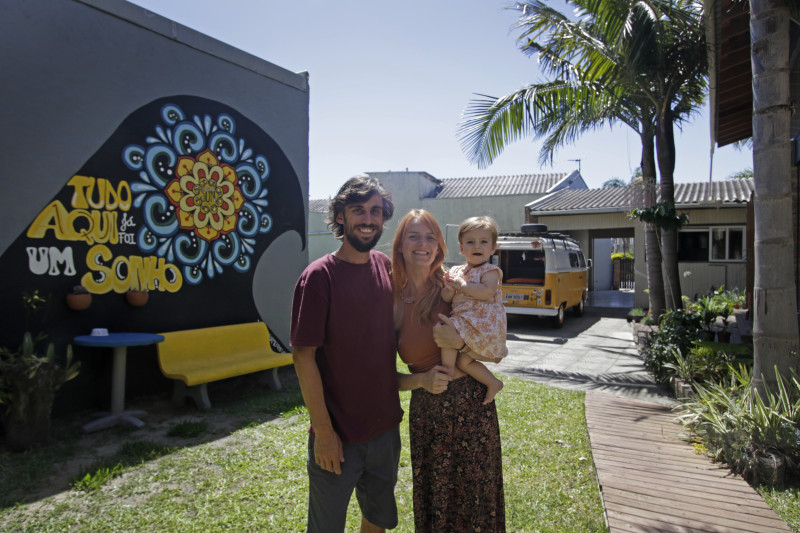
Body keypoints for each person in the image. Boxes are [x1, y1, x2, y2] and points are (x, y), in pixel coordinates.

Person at [290, 175, 403, 533]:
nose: (368, 219)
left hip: (385, 430)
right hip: (337, 435)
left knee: (377, 519)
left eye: (376, 211)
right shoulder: (318, 277)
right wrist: (323, 431)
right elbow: (302, 357)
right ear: (340, 216)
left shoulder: (386, 267)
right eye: (358, 210)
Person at [393, 209, 506, 532]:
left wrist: (461, 343)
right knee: (437, 498)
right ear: (400, 244)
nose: (422, 244)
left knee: (476, 499)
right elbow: (384, 377)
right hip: (428, 411)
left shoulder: (458, 282)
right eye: (414, 236)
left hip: (472, 406)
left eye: (430, 237)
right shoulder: (393, 301)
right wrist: (421, 380)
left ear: (440, 246)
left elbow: (494, 345)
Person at [441, 216, 507, 404]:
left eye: (483, 241)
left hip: (484, 324)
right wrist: (449, 288)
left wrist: (462, 285)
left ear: (493, 248)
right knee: (464, 362)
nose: (477, 246)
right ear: (462, 248)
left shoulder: (490, 271)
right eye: (470, 242)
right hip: (467, 322)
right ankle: (493, 382)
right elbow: (446, 299)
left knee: (447, 331)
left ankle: (446, 372)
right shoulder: (456, 271)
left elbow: (487, 293)